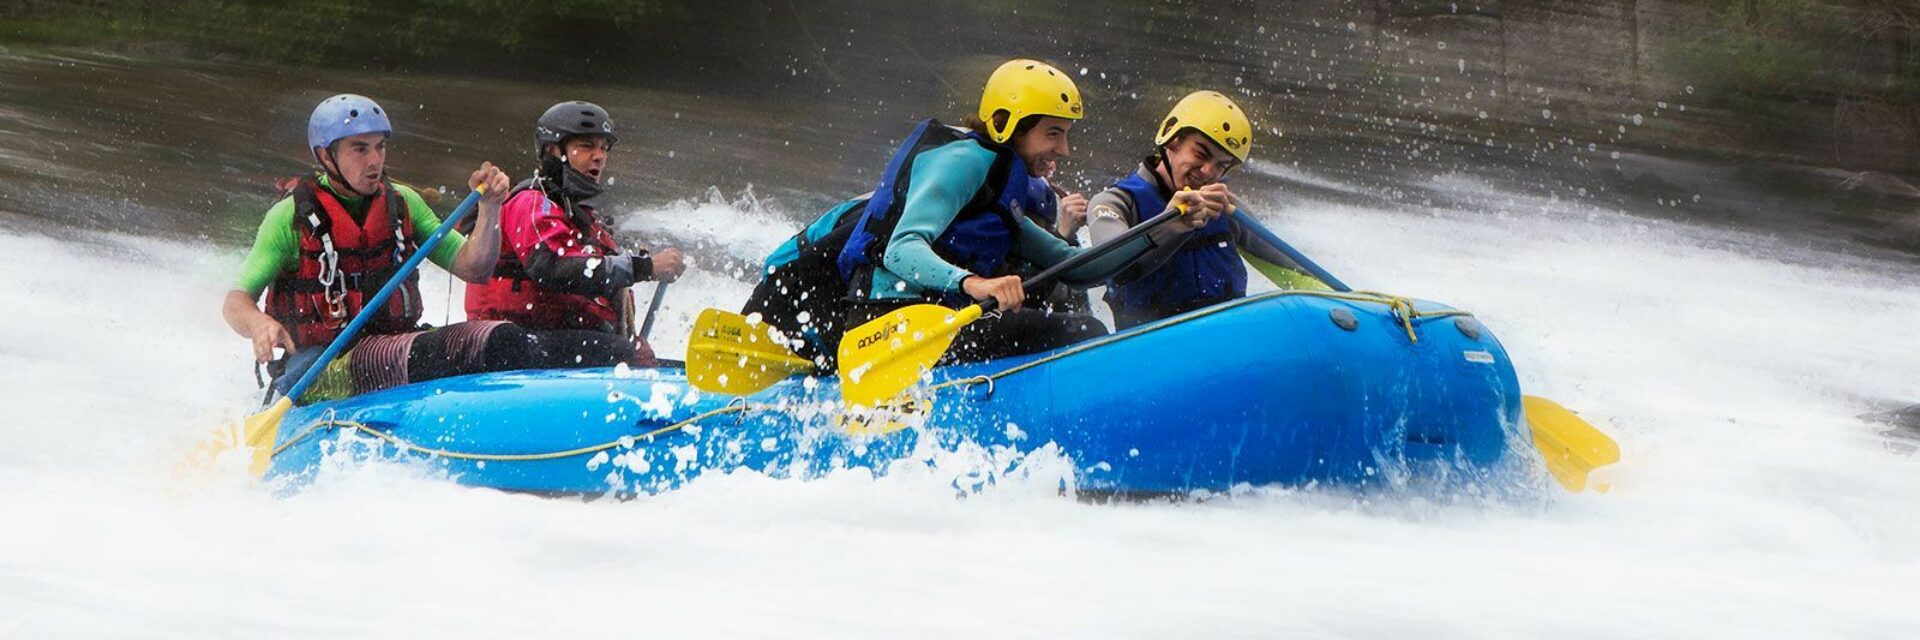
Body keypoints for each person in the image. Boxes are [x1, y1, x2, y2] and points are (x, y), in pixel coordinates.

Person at [767, 59, 1218, 366]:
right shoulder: (963, 162)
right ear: (1009, 125)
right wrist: (974, 283)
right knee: (1079, 331)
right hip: (888, 325)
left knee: (1074, 319)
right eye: (1053, 134)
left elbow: (1078, 267)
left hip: (935, 318)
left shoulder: (1002, 183)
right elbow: (900, 247)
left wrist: (1169, 225)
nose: (1063, 149)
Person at [222, 94, 634, 404]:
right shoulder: (290, 217)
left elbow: (473, 267)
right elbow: (236, 301)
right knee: (493, 344)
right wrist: (259, 325)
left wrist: (491, 209)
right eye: (359, 149)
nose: (374, 161)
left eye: (379, 147)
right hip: (317, 366)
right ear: (325, 156)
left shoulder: (403, 202)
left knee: (505, 339)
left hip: (392, 346)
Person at [464, 101, 684, 364]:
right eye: (587, 146)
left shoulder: (581, 217)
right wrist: (645, 267)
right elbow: (552, 267)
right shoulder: (531, 202)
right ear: (553, 151)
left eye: (603, 148)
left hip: (559, 340)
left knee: (658, 363)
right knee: (619, 352)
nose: (599, 156)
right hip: (510, 345)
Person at [1088, 90, 1327, 330]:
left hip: (1225, 341)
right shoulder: (1114, 202)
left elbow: (1293, 270)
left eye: (1222, 165)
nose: (1208, 172)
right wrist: (1169, 227)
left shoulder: (1227, 209)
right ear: (1172, 140)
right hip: (1152, 350)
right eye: (1201, 154)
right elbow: (1112, 267)